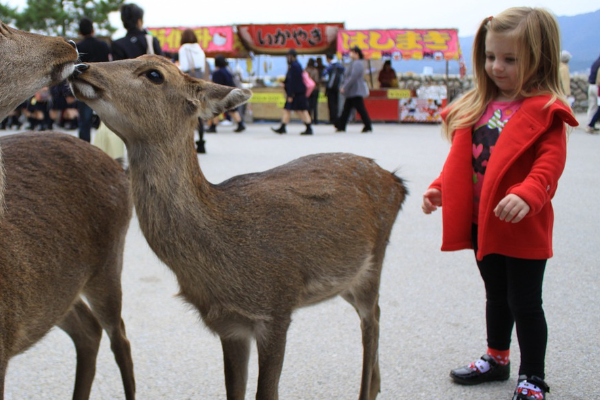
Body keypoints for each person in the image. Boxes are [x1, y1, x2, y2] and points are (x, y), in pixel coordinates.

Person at [421, 8, 578, 400]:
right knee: (495, 294)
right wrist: (441, 187)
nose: (496, 67)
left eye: (510, 59)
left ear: (538, 59)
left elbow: (549, 163)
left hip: (522, 225)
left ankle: (533, 377)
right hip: (483, 224)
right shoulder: (480, 105)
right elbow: (465, 161)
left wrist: (529, 192)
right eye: (491, 57)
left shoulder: (544, 111)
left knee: (525, 301)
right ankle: (497, 358)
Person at [76, 17, 110, 142]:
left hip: (83, 86)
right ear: (93, 30)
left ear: (80, 32)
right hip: (101, 85)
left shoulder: (78, 47)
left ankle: (85, 148)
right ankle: (105, 146)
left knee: (85, 122)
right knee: (106, 120)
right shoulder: (103, 45)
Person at [178, 28, 208, 152]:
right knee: (199, 113)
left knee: (185, 114)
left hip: (188, 82)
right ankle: (201, 143)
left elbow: (184, 67)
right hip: (200, 82)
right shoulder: (200, 50)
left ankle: (187, 144)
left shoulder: (184, 49)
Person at [271, 49, 313, 135]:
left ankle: (309, 127)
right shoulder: (295, 65)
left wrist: (290, 94)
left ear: (291, 56)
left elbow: (294, 82)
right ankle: (283, 127)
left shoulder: (295, 66)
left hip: (296, 93)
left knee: (302, 110)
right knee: (288, 109)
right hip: (295, 92)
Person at [335, 46, 372, 133]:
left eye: (352, 52)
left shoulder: (357, 63)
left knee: (360, 109)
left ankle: (368, 125)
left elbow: (353, 77)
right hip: (352, 91)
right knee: (347, 109)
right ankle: (341, 125)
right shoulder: (354, 63)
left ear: (356, 53)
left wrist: (345, 87)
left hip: (355, 90)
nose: (350, 54)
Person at [207, 55, 245, 133]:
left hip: (223, 94)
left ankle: (213, 127)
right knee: (232, 110)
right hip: (231, 92)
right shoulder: (227, 71)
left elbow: (216, 85)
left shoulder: (217, 73)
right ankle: (240, 124)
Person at [324, 53, 344, 125]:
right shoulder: (339, 66)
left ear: (327, 58)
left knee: (331, 104)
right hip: (337, 87)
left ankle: (332, 119)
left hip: (331, 87)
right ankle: (336, 118)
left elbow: (324, 73)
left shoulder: (330, 66)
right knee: (336, 103)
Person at [586, 53, 600, 133]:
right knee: (597, 107)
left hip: (591, 85)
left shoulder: (595, 62)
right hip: (597, 87)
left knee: (592, 107)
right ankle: (591, 124)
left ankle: (589, 124)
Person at [305, 58, 321, 124]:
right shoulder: (315, 70)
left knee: (308, 105)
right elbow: (316, 80)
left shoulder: (305, 70)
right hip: (315, 89)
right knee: (314, 106)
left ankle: (308, 119)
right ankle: (315, 120)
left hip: (307, 90)